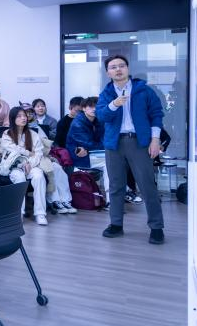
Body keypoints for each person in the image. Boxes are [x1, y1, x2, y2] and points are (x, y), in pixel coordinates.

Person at [96, 54, 165, 244]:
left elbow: (157, 114)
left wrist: (155, 140)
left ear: (127, 68)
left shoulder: (144, 90)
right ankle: (116, 224)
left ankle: (156, 227)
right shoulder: (106, 93)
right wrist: (114, 104)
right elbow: (101, 116)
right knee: (116, 186)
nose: (118, 69)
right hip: (114, 144)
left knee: (147, 185)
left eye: (121, 65)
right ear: (108, 72)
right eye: (113, 67)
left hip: (139, 142)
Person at [0, 106, 49, 226]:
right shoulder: (7, 134)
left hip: (31, 165)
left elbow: (38, 153)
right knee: (19, 177)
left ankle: (40, 213)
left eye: (24, 116)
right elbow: (13, 150)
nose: (23, 118)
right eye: (19, 116)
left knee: (39, 176)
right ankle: (18, 214)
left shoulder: (33, 134)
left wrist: (30, 163)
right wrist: (27, 154)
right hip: (14, 166)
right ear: (13, 119)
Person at [66, 96, 110, 194]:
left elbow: (104, 138)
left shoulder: (98, 120)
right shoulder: (78, 123)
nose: (94, 109)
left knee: (115, 161)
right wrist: (106, 145)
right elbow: (90, 144)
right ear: (84, 108)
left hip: (93, 153)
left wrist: (105, 145)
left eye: (96, 107)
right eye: (91, 107)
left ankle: (115, 194)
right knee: (109, 163)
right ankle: (111, 198)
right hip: (79, 157)